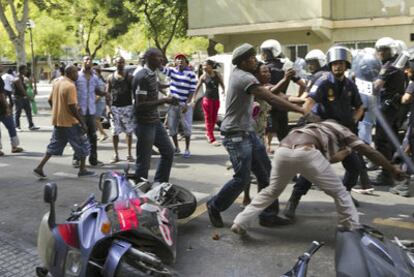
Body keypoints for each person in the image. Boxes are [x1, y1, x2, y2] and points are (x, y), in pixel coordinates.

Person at [231, 119, 406, 235]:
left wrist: (343, 152)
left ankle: (240, 222)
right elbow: (369, 151)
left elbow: (327, 159)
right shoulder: (343, 131)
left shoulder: (314, 127)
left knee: (271, 191)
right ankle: (351, 227)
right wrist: (392, 169)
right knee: (340, 192)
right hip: (306, 152)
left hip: (283, 150)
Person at [206, 43, 304, 228]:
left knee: (266, 174)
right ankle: (214, 206)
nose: (256, 61)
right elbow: (271, 98)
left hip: (248, 132)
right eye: (252, 58)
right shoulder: (243, 78)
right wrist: (301, 111)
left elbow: (271, 93)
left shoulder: (246, 75)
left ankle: (268, 216)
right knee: (241, 178)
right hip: (235, 135)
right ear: (243, 62)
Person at [284, 45, 365, 219]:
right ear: (329, 64)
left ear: (347, 65)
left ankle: (345, 193)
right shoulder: (323, 82)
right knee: (312, 169)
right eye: (334, 63)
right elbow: (306, 107)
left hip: (343, 134)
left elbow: (360, 107)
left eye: (341, 63)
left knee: (355, 167)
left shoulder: (350, 84)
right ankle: (294, 199)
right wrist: (320, 123)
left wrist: (354, 120)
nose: (338, 67)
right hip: (322, 134)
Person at [33, 65, 95, 179]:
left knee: (54, 145)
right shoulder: (70, 86)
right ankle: (82, 169)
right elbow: (72, 107)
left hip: (58, 121)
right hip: (70, 122)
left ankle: (39, 167)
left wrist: (58, 110)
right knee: (83, 145)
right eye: (76, 72)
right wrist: (82, 122)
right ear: (70, 73)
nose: (77, 75)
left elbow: (50, 100)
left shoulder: (57, 82)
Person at [132, 48, 179, 182]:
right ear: (149, 58)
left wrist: (168, 87)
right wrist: (165, 100)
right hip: (144, 124)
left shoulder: (152, 74)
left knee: (168, 152)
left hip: (155, 121)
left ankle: (159, 184)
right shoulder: (141, 77)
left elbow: (155, 85)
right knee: (144, 161)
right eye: (158, 57)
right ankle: (139, 192)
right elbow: (140, 105)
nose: (162, 59)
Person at [260, 39, 307, 153]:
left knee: (269, 129)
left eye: (264, 52)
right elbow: (302, 84)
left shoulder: (264, 68)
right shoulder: (285, 66)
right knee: (283, 131)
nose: (262, 55)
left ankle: (268, 147)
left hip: (269, 104)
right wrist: (299, 96)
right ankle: (284, 150)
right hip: (283, 103)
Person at [372, 37, 406, 186]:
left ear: (392, 50)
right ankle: (394, 171)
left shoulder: (389, 67)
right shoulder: (396, 65)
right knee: (392, 140)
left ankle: (386, 174)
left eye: (385, 49)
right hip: (395, 108)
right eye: (379, 49)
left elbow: (376, 86)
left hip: (387, 108)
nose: (381, 52)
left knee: (380, 140)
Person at [72, 56, 106, 167]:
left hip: (91, 110)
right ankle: (76, 159)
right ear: (83, 62)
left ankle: (93, 159)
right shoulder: (77, 76)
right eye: (86, 60)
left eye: (90, 60)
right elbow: (72, 91)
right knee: (80, 136)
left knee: (93, 136)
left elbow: (96, 90)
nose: (88, 61)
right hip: (80, 111)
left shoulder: (94, 77)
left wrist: (104, 94)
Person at [162, 53, 197, 158]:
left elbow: (192, 90)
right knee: (172, 127)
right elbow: (162, 69)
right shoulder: (172, 71)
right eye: (178, 59)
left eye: (182, 59)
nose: (180, 61)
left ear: (186, 61)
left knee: (187, 128)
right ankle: (176, 148)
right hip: (173, 104)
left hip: (185, 104)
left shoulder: (191, 74)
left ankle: (187, 148)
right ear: (175, 62)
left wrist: (187, 104)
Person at [106, 56, 135, 163]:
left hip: (127, 106)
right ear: (115, 64)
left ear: (125, 64)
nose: (120, 64)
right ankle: (116, 154)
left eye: (122, 62)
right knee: (114, 132)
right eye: (118, 62)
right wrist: (108, 108)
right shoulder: (110, 77)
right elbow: (107, 93)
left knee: (129, 132)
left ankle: (129, 154)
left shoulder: (129, 77)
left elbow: (135, 92)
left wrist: (134, 105)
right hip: (115, 107)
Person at [193, 59, 225, 146]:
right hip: (207, 99)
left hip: (216, 99)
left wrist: (224, 90)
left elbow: (222, 83)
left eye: (205, 65)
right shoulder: (203, 77)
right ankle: (211, 137)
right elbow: (197, 88)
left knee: (214, 118)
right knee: (208, 118)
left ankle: (208, 133)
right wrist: (194, 98)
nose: (203, 67)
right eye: (202, 66)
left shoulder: (217, 74)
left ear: (210, 66)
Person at [0, 76, 23, 156]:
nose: (2, 66)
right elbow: (1, 95)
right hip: (2, 109)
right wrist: (7, 107)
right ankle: (14, 147)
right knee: (11, 127)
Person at [13, 65, 39, 131]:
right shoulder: (17, 78)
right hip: (18, 98)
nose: (26, 71)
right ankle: (17, 126)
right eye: (25, 69)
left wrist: (34, 83)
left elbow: (28, 84)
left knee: (28, 111)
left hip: (24, 98)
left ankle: (31, 125)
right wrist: (29, 97)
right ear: (21, 70)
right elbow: (22, 89)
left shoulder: (23, 77)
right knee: (18, 112)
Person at [93, 66, 109, 142]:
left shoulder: (99, 82)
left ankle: (103, 134)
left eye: (95, 73)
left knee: (96, 119)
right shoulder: (96, 81)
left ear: (99, 74)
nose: (93, 74)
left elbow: (100, 95)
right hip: (98, 102)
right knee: (95, 120)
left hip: (99, 102)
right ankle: (95, 134)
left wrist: (93, 102)